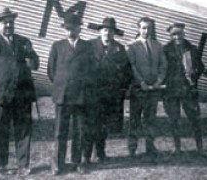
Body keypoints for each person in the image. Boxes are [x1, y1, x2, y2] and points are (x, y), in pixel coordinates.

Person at [0, 7, 39, 176]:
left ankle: (23, 165)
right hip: (1, 94)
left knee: (24, 131)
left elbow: (35, 62)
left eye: (11, 22)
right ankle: (1, 164)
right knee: (1, 130)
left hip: (22, 94)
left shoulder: (24, 41)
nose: (9, 25)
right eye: (5, 23)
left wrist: (31, 59)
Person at [47, 12, 93, 175]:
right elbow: (51, 71)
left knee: (79, 130)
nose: (70, 31)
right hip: (63, 95)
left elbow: (92, 70)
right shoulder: (57, 46)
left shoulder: (88, 47)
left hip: (81, 95)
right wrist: (63, 84)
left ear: (79, 28)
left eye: (73, 28)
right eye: (67, 28)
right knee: (60, 131)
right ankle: (57, 164)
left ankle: (77, 162)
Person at [85, 17, 132, 162]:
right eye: (105, 30)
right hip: (92, 93)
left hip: (110, 94)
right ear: (100, 31)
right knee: (90, 125)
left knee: (103, 126)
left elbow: (126, 71)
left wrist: (121, 89)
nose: (107, 33)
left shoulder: (119, 48)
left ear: (114, 33)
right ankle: (86, 155)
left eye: (110, 31)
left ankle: (100, 152)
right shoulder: (89, 46)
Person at [126, 17, 167, 158]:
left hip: (153, 89)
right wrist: (141, 82)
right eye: (143, 28)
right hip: (138, 89)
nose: (146, 31)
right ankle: (132, 148)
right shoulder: (132, 46)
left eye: (149, 28)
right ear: (138, 29)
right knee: (134, 119)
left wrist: (158, 81)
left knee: (151, 119)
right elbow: (132, 66)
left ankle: (150, 146)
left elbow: (163, 65)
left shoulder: (157, 46)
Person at [163, 23, 204, 156]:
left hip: (188, 89)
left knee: (194, 119)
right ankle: (177, 147)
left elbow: (201, 67)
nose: (177, 37)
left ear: (183, 33)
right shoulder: (165, 49)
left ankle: (200, 148)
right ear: (170, 36)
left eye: (179, 33)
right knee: (173, 119)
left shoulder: (192, 49)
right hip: (171, 90)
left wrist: (194, 75)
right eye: (174, 34)